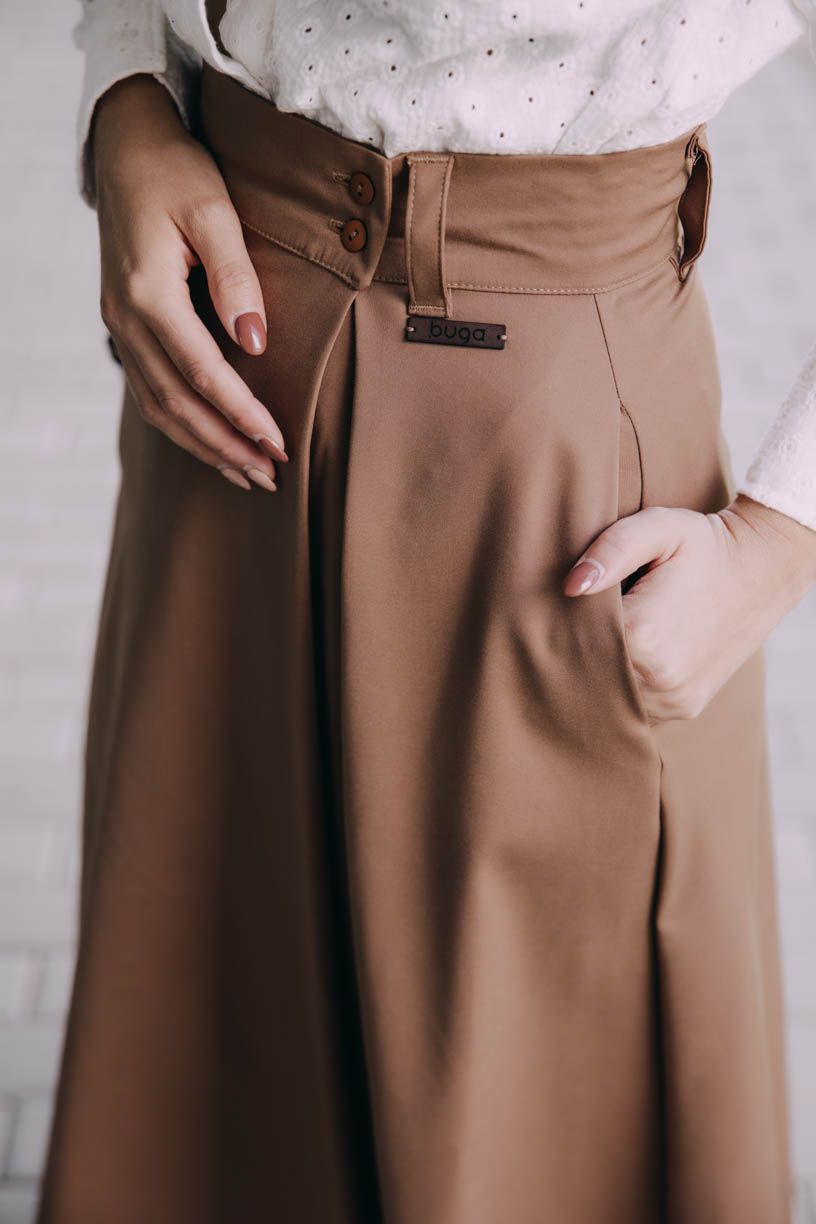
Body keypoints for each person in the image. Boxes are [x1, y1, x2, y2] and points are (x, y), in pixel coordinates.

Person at [36, 2, 816, 1221]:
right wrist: (128, 96)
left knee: (528, 1122)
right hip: (231, 374)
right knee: (213, 1049)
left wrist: (782, 533)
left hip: (553, 468)